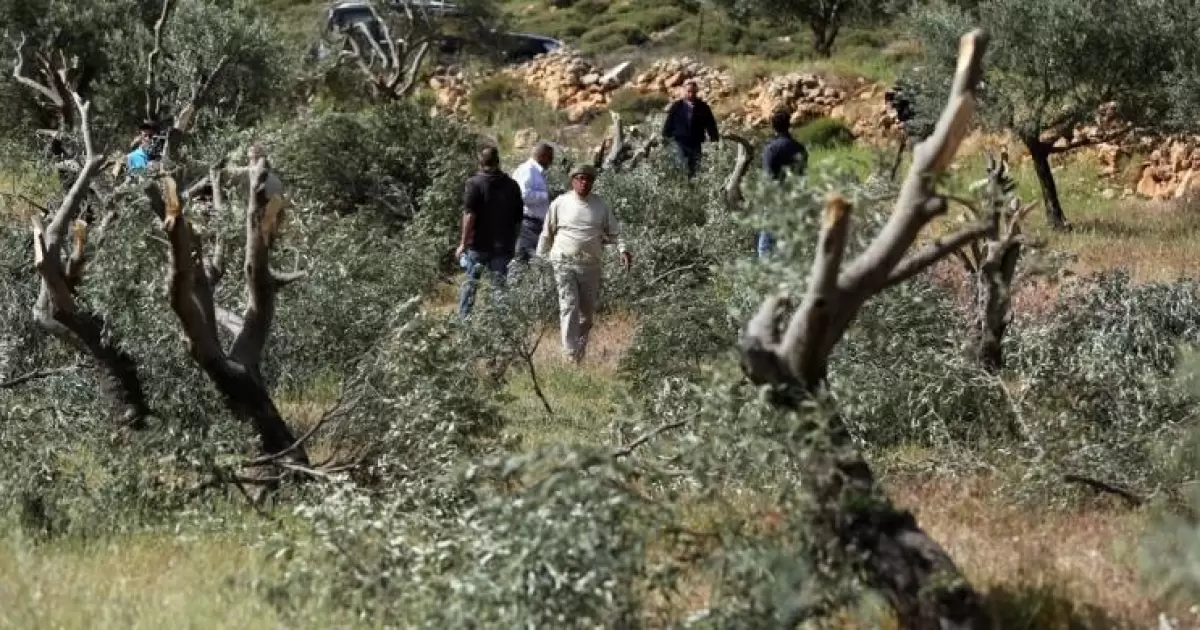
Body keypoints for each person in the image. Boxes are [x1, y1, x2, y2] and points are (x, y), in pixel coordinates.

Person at [537, 163, 633, 364]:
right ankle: (569, 355)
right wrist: (540, 259)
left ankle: (578, 354)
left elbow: (615, 233)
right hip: (563, 262)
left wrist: (623, 249)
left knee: (586, 315)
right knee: (569, 306)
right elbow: (547, 234)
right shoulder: (560, 203)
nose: (584, 182)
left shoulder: (600, 206)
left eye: (588, 179)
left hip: (590, 265)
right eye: (579, 178)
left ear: (593, 182)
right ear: (572, 181)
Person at [456, 146, 524, 317]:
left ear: (480, 162)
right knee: (499, 289)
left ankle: (464, 321)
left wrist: (463, 243)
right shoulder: (512, 185)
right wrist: (513, 242)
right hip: (503, 245)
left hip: (479, 245)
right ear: (498, 161)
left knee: (470, 285)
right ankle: (499, 325)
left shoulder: (474, 183)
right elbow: (518, 219)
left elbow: (470, 215)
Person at [757, 110, 809, 258]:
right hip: (795, 197)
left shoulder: (771, 149)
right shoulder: (800, 148)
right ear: (788, 125)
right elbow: (803, 174)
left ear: (773, 126)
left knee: (766, 245)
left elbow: (768, 177)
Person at [661, 80, 720, 178]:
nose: (691, 94)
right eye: (688, 91)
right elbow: (669, 122)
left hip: (696, 142)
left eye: (693, 92)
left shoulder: (703, 107)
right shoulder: (677, 106)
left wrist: (714, 139)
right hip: (680, 142)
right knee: (681, 166)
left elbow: (710, 124)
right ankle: (681, 183)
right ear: (684, 91)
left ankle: (693, 185)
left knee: (695, 168)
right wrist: (665, 136)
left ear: (696, 92)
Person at [511, 142, 554, 262]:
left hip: (536, 225)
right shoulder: (528, 170)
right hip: (527, 225)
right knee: (523, 261)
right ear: (543, 156)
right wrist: (546, 195)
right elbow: (523, 195)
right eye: (550, 157)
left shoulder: (537, 172)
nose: (551, 162)